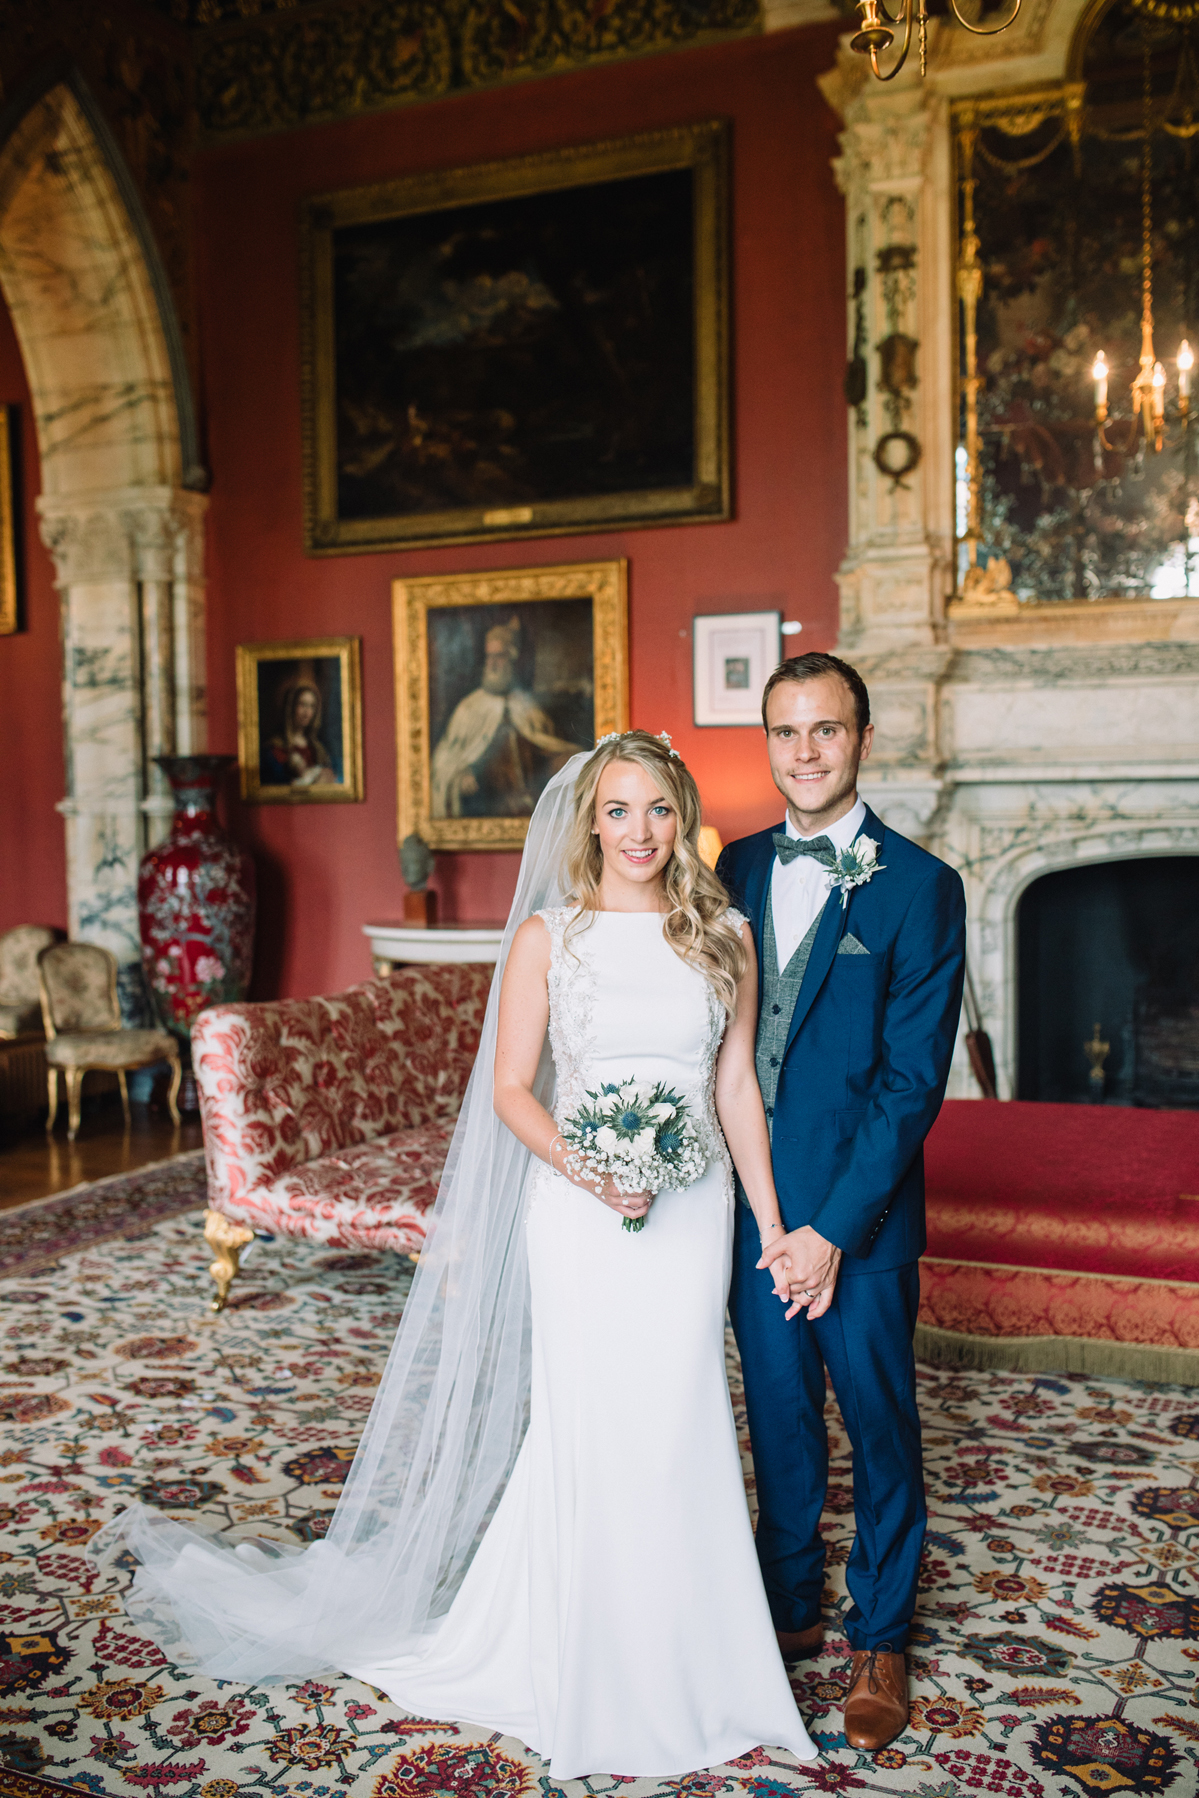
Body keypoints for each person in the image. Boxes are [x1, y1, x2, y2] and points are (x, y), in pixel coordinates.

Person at [93, 731, 818, 1783]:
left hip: (692, 1210)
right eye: (616, 810)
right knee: (589, 1423)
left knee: (679, 1417)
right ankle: (577, 1657)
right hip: (578, 1213)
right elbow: (511, 1090)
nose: (638, 832)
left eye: (657, 809)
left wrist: (770, 1226)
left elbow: (735, 1090)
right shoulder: (546, 936)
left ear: (682, 816)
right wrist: (587, 1166)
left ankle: (698, 1659)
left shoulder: (725, 935)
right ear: (587, 822)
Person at [716, 652, 966, 1754]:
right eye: (784, 731)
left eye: (824, 730)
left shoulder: (918, 885)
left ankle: (880, 1631)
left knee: (878, 1428)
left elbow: (912, 1082)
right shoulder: (726, 867)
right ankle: (783, 1604)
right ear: (764, 741)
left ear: (861, 738)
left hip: (856, 1226)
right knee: (775, 1422)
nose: (804, 751)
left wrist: (828, 1230)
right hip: (747, 1213)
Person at [430, 615, 584, 818]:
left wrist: (565, 760)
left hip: (533, 805)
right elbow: (444, 759)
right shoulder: (468, 709)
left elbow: (547, 748)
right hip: (485, 804)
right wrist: (459, 776)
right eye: (489, 657)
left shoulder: (527, 706)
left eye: (500, 656)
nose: (493, 664)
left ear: (512, 659)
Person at [263, 681, 337, 788]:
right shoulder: (274, 747)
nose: (307, 712)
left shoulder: (317, 748)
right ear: (291, 707)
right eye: (302, 704)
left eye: (312, 706)